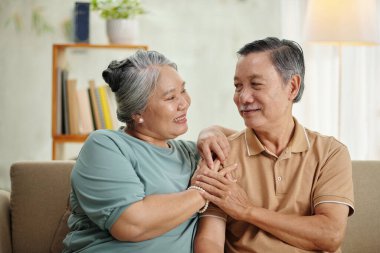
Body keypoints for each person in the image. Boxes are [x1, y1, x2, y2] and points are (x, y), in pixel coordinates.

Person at [62, 50, 234, 253]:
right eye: (170, 97)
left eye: (183, 90)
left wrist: (212, 130)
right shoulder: (106, 146)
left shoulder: (192, 153)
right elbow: (131, 224)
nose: (184, 103)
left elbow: (249, 142)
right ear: (137, 112)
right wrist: (202, 192)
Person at [194, 37, 354, 253]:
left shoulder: (330, 153)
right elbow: (209, 241)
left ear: (292, 87)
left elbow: (330, 235)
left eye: (256, 85)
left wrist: (248, 211)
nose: (243, 97)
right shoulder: (222, 155)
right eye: (238, 86)